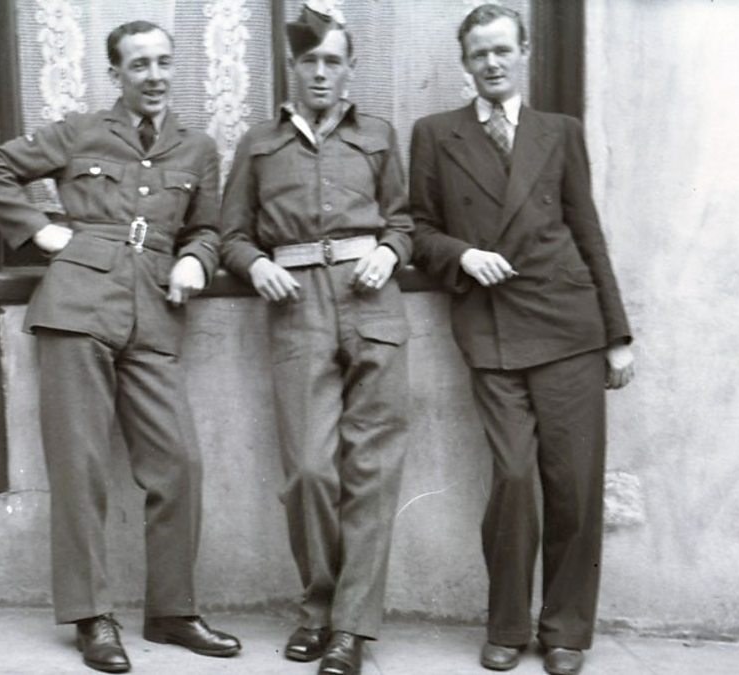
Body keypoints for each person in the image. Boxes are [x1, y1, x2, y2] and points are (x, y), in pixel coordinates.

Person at [0, 20, 239, 674]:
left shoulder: (197, 147)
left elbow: (206, 227)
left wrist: (197, 259)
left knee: (179, 463)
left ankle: (171, 610)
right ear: (115, 74)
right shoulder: (81, 131)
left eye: (163, 62)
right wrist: (41, 231)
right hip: (77, 307)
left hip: (155, 314)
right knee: (81, 467)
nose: (154, 75)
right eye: (138, 64)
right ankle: (92, 616)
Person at [408, 5, 635, 675]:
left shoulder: (560, 132)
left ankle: (565, 630)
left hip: (569, 325)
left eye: (502, 49)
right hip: (493, 327)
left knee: (575, 485)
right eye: (479, 53)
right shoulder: (435, 134)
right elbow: (418, 229)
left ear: (524, 53)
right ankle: (507, 623)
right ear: (465, 63)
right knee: (512, 477)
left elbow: (588, 232)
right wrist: (462, 254)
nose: (492, 62)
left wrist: (617, 334)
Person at [221, 6, 412, 675]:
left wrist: (389, 250)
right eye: (310, 61)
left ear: (350, 67)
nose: (322, 73)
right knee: (308, 468)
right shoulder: (258, 144)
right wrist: (256, 265)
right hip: (296, 304)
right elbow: (231, 234)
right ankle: (320, 607)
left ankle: (351, 630)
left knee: (372, 471)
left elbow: (405, 221)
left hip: (372, 303)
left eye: (334, 61)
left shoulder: (379, 135)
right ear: (293, 68)